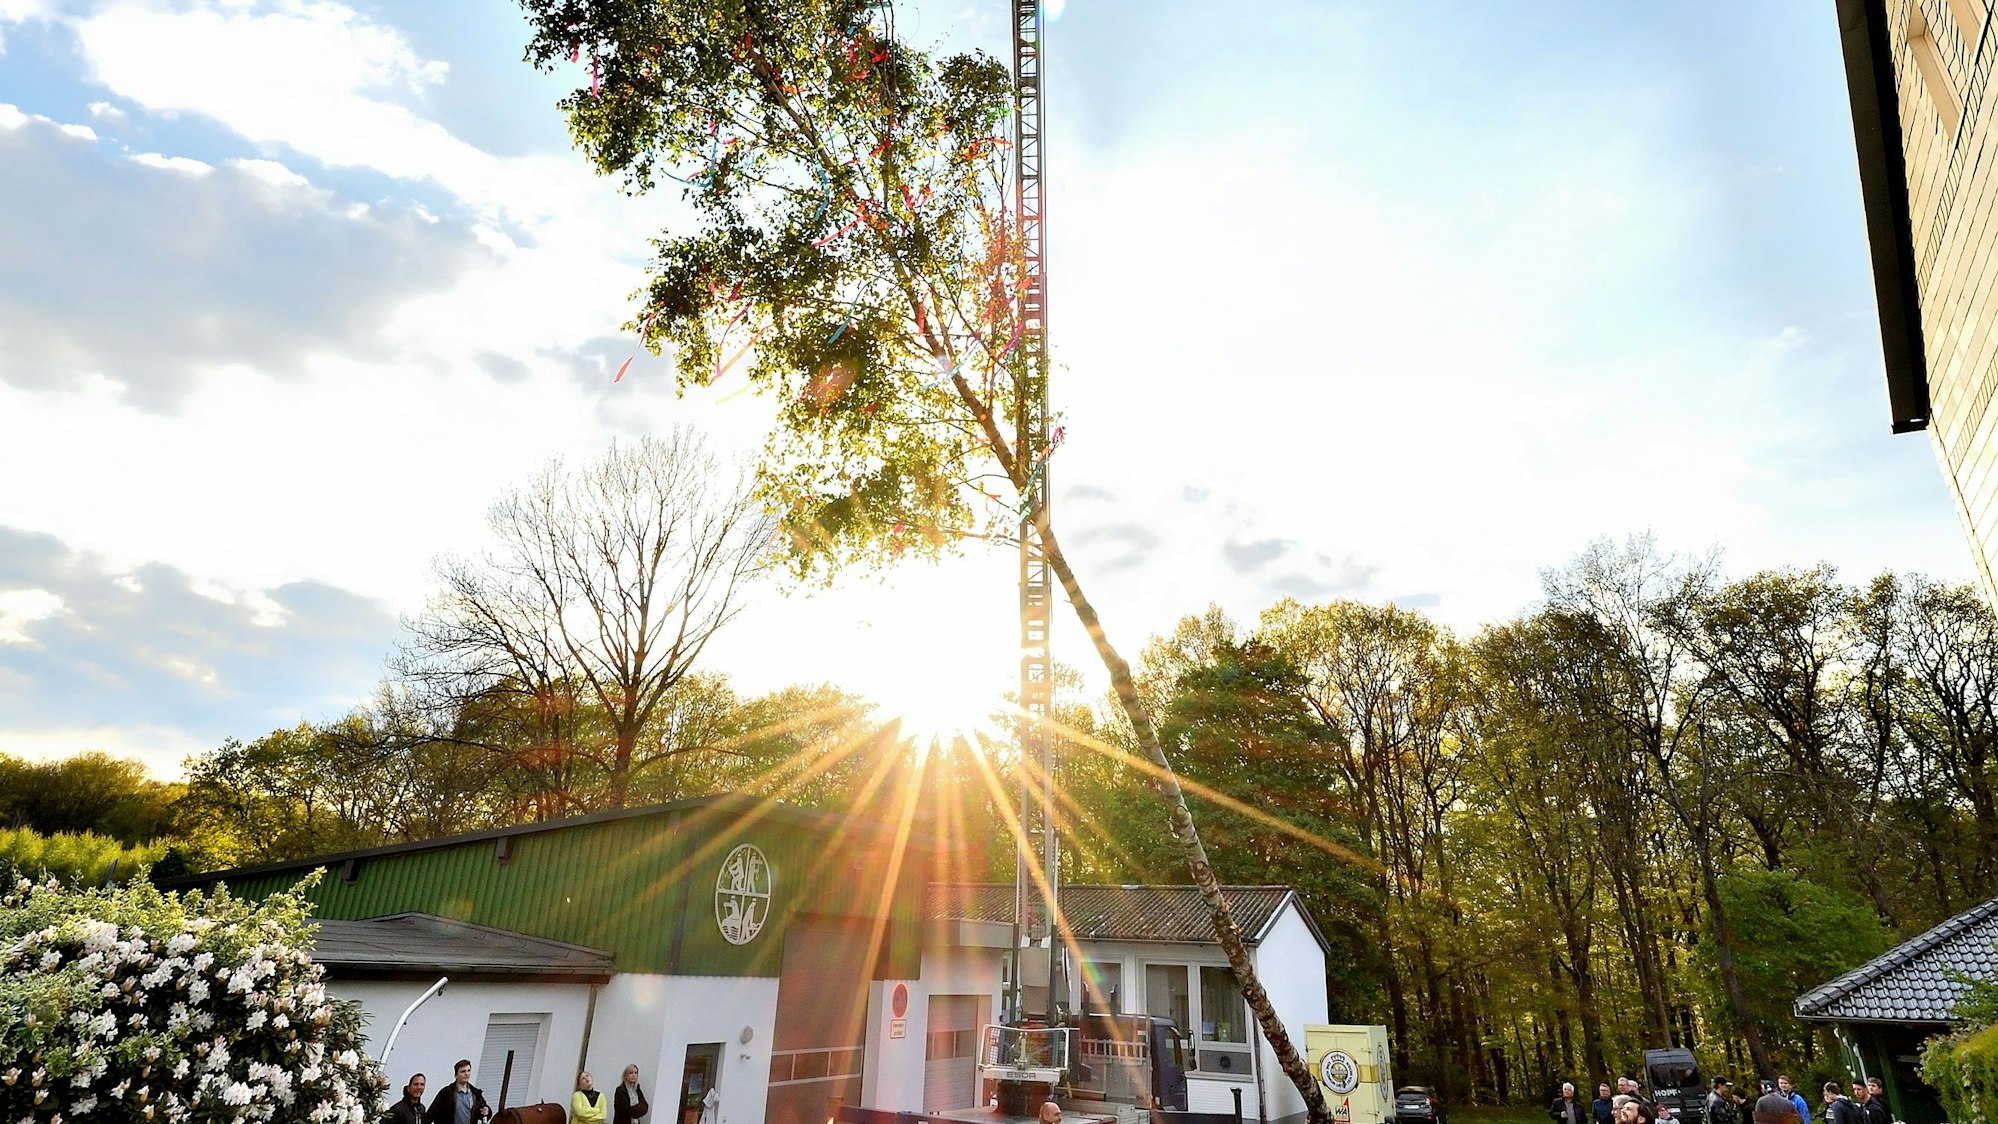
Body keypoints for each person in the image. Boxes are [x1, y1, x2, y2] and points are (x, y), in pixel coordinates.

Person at [426, 1060, 492, 1124]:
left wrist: (487, 1111)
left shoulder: (475, 1093)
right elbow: (431, 1114)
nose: (466, 1074)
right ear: (456, 1075)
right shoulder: (446, 1092)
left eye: (468, 1071)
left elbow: (484, 1110)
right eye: (463, 1071)